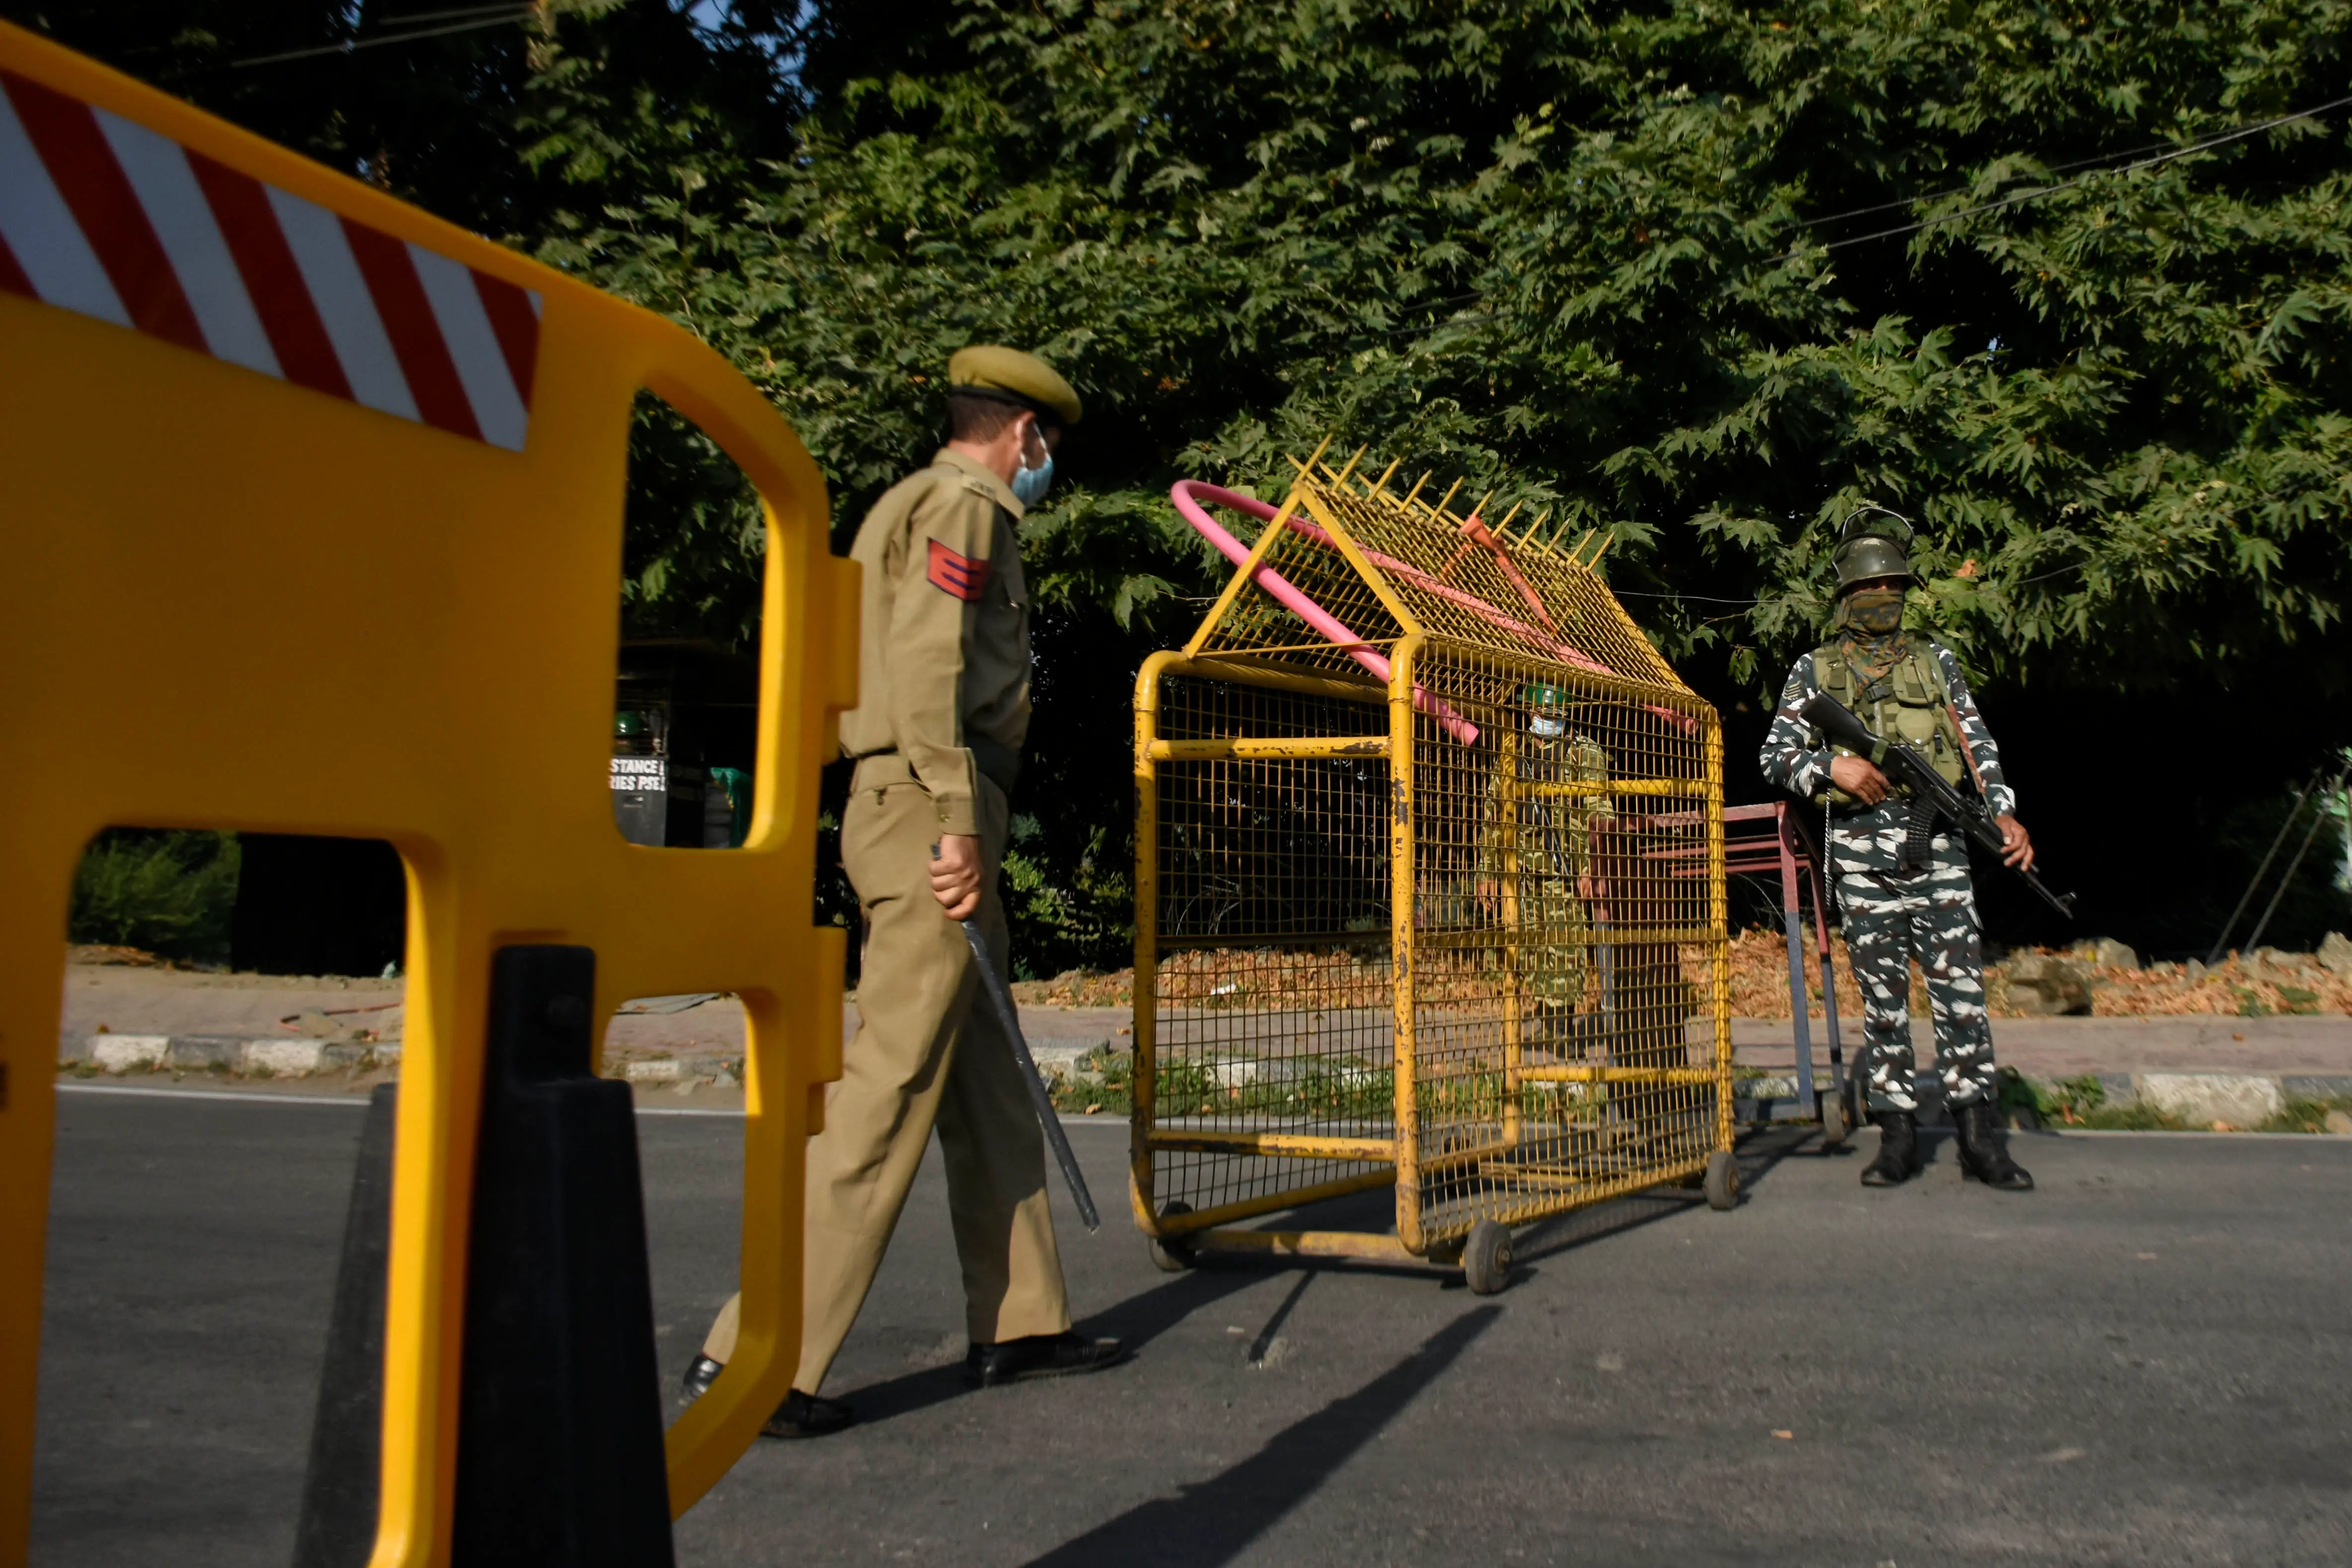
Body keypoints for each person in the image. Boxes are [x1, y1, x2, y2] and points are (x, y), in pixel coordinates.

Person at [681, 346, 1123, 1438]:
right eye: (1046, 446)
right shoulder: (965, 509)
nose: (1044, 464)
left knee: (989, 1077)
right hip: (933, 800)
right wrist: (956, 821)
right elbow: (930, 671)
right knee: (884, 1090)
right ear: (1022, 436)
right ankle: (757, 1357)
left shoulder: (911, 506)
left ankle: (1021, 1322)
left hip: (924, 796)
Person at [1759, 507, 2036, 1192]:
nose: (1882, 601)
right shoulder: (1814, 670)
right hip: (1859, 855)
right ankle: (1897, 1137)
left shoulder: (1935, 661)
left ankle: (1979, 1138)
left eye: (1893, 589)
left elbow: (1978, 747)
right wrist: (1832, 770)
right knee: (1882, 1002)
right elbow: (1775, 756)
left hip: (1938, 848)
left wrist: (2003, 816)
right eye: (1868, 591)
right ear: (1846, 598)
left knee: (1961, 996)